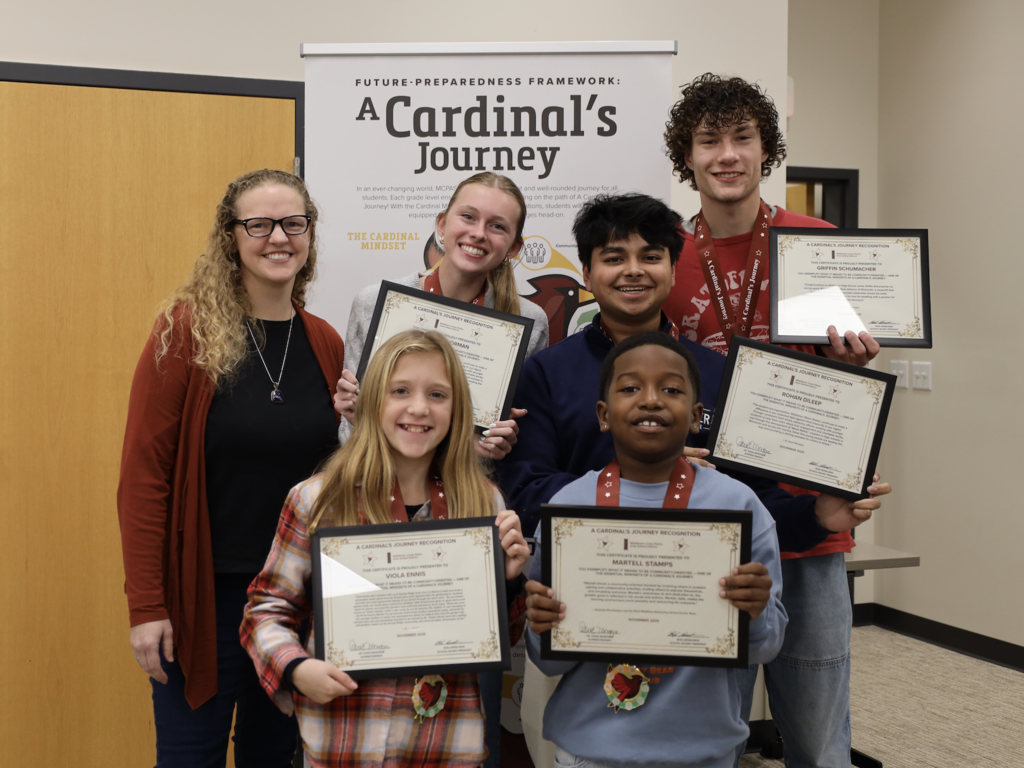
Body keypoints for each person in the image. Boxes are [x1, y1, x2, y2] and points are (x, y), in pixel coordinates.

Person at [662, 73, 885, 767]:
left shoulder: (815, 242)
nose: (726, 154)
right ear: (687, 157)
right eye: (709, 140)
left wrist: (856, 362)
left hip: (810, 516)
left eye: (742, 138)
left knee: (818, 735)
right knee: (708, 730)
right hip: (711, 518)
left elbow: (848, 386)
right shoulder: (664, 254)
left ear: (766, 151)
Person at [117, 168, 346, 767]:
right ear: (230, 237)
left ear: (309, 236)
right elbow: (144, 482)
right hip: (203, 601)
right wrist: (147, 609)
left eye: (293, 223)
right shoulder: (184, 333)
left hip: (293, 602)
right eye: (259, 224)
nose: (278, 237)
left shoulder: (324, 341)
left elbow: (332, 474)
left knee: (273, 758)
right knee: (190, 757)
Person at [240, 330, 530, 768]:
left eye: (437, 394)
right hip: (343, 741)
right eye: (400, 391)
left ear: (458, 411)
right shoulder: (317, 500)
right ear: (373, 400)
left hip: (445, 744)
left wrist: (509, 583)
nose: (418, 408)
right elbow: (265, 611)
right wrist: (297, 670)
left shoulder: (483, 503)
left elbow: (499, 638)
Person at [524, 332, 787, 768]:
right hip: (589, 752)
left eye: (671, 389)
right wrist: (541, 627)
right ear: (604, 415)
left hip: (702, 750)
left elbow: (768, 646)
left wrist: (756, 610)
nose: (650, 400)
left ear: (696, 416)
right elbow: (546, 662)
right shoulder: (567, 510)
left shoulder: (738, 506)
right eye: (630, 388)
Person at [335, 172, 550, 463]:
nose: (478, 233)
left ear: (513, 247)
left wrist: (497, 445)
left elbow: (519, 443)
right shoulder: (374, 303)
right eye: (468, 217)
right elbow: (351, 437)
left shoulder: (529, 321)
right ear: (442, 224)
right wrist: (355, 416)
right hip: (380, 488)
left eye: (497, 226)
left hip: (470, 494)